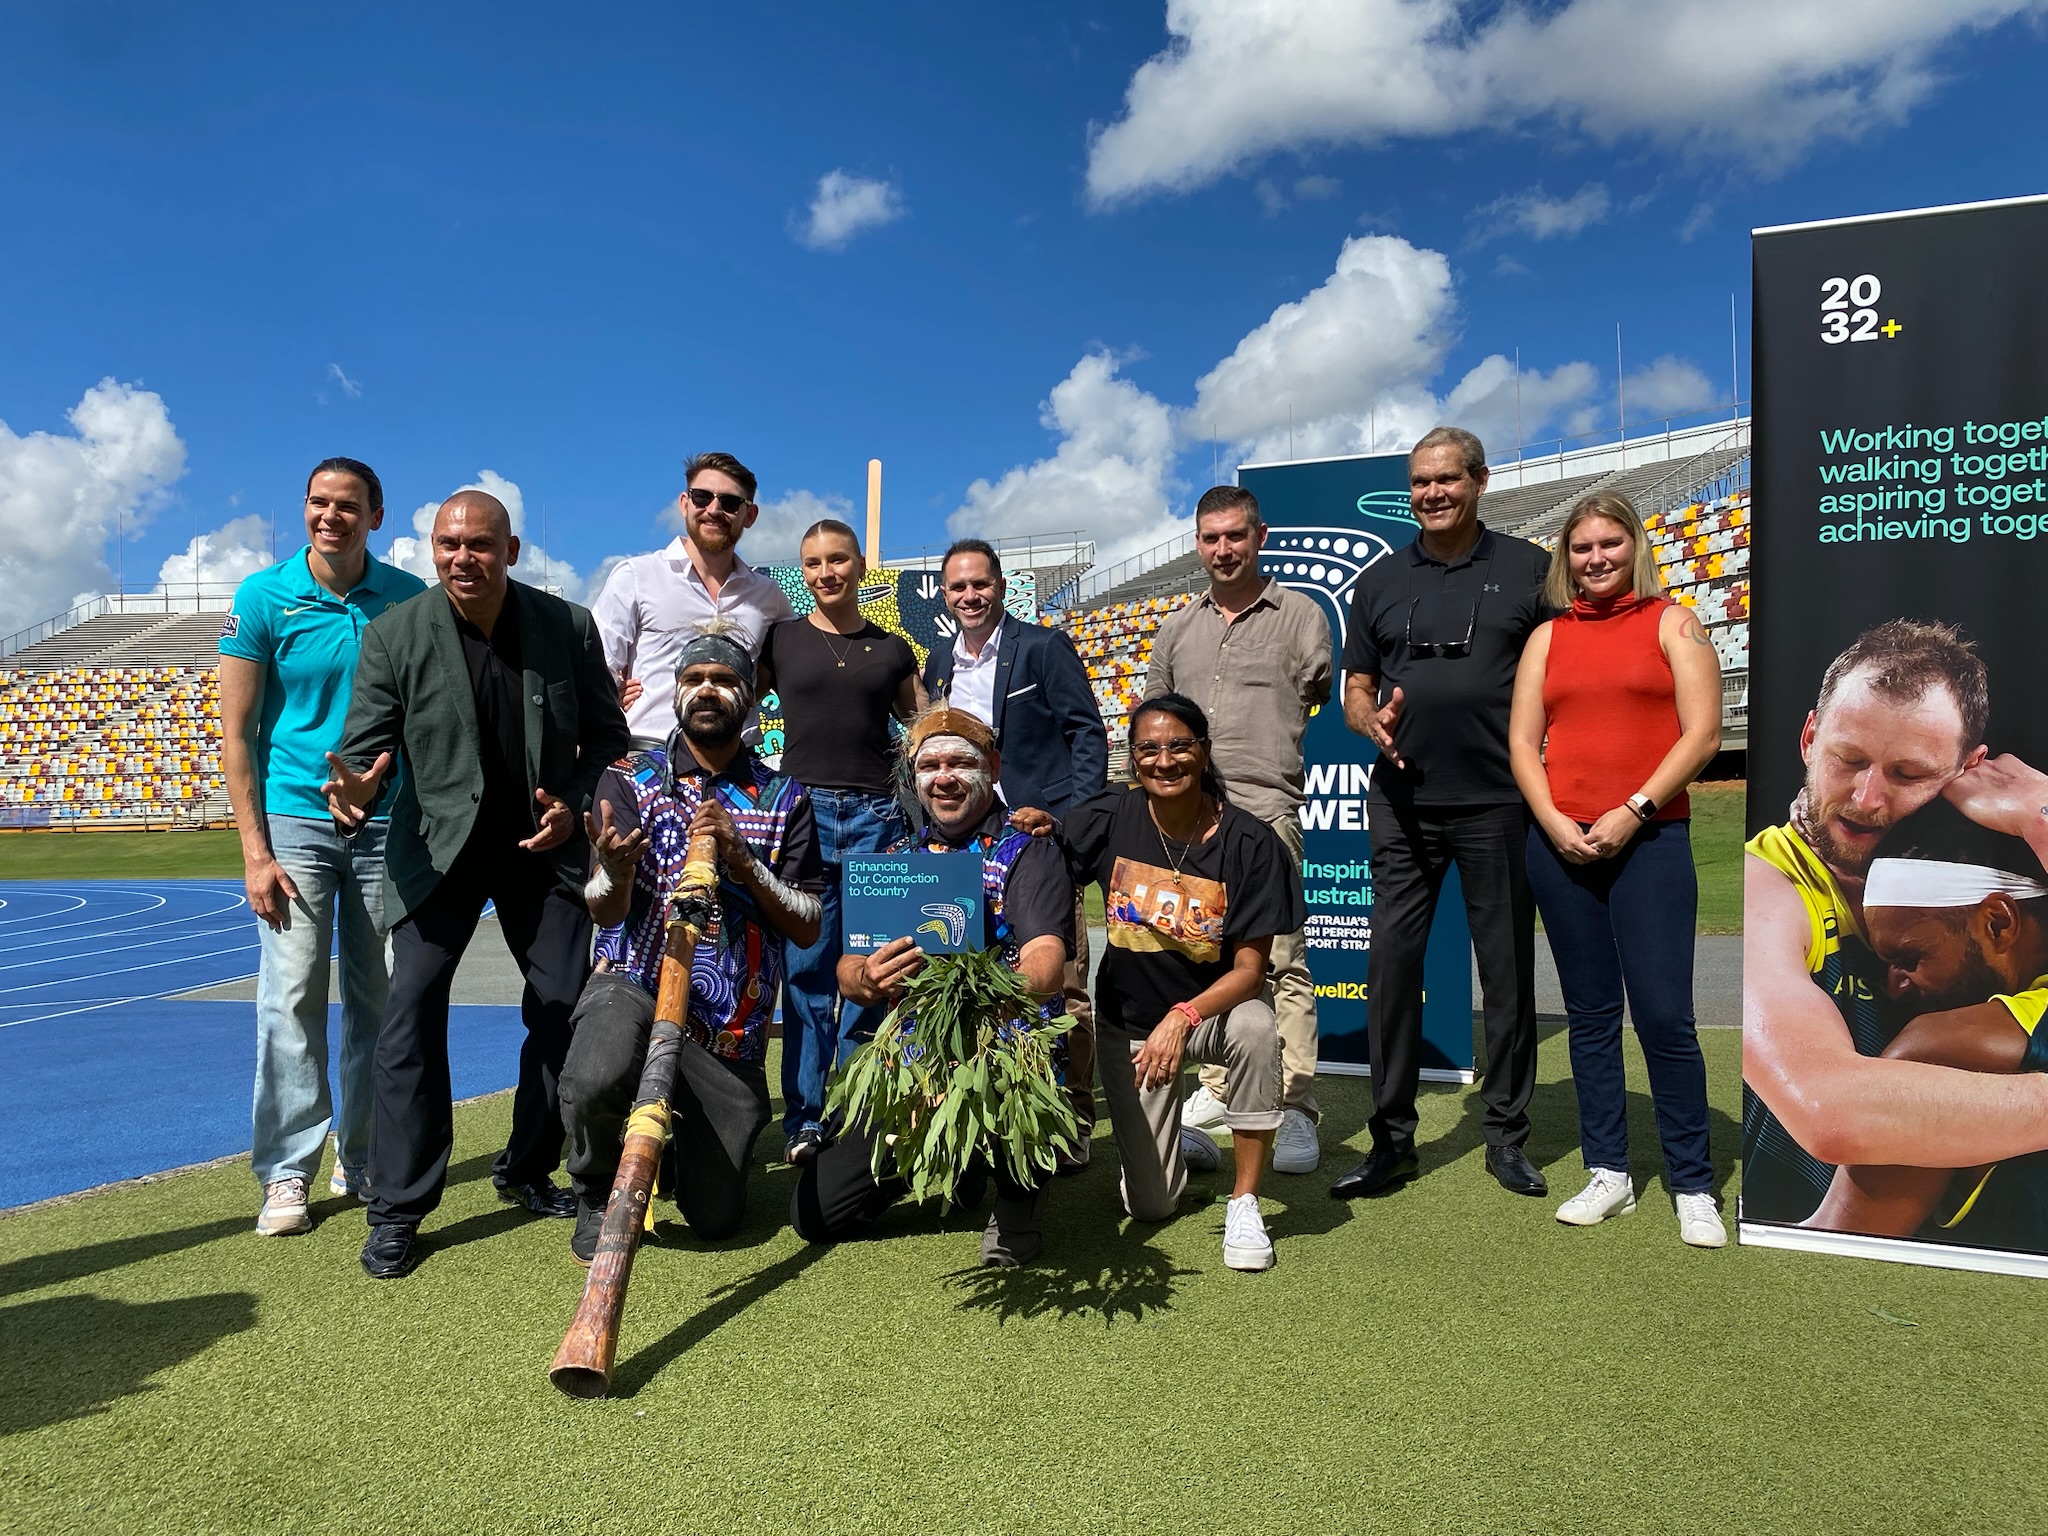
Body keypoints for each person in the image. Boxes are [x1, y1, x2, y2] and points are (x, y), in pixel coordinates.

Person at [326, 489, 632, 1279]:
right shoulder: (395, 635)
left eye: (480, 545)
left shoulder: (566, 627)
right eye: (448, 545)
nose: (463, 558)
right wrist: (356, 793)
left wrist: (573, 804)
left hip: (541, 852)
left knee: (565, 1006)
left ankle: (530, 1168)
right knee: (410, 1016)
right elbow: (363, 753)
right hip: (437, 853)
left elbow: (606, 738)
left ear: (513, 550)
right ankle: (398, 1207)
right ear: (434, 550)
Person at [1744, 618, 2048, 1225]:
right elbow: (1832, 1110)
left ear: (1968, 768)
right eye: (1847, 759)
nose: (1866, 798)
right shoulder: (1768, 887)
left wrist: (2043, 817)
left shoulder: (2005, 871)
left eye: (1908, 775)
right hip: (1791, 1242)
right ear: (1809, 737)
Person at [1333, 426, 1553, 1202]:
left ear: (1480, 481)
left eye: (1447, 479)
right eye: (1421, 481)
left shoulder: (1531, 568)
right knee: (1391, 967)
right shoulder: (1383, 578)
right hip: (1401, 800)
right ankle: (1390, 1140)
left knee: (1506, 973)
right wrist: (1367, 720)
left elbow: (1564, 672)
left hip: (1498, 801)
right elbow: (1355, 685)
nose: (1432, 493)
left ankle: (1506, 1137)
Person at [558, 629, 825, 1261]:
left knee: (715, 1219)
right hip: (635, 981)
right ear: (676, 693)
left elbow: (808, 921)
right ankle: (597, 1187)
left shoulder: (786, 797)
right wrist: (617, 872)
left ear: (750, 696)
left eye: (724, 679)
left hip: (728, 1021)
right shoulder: (629, 778)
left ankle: (677, 1146)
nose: (707, 690)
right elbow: (600, 904)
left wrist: (743, 862)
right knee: (594, 1076)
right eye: (694, 679)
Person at [1506, 492, 1726, 1246]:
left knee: (1665, 1018)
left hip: (1651, 841)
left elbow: (1701, 736)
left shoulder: (1674, 622)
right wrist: (1556, 823)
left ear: (1634, 547)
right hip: (1561, 847)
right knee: (1591, 1018)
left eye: (1610, 544)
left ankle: (1692, 1181)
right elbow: (1522, 745)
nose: (1595, 558)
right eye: (1581, 547)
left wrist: (1632, 810)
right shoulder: (1547, 637)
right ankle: (1610, 1172)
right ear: (1565, 558)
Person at [219, 457, 427, 1236]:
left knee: (381, 999)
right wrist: (254, 851)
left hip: (384, 824)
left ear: (375, 515)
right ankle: (286, 1172)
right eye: (317, 502)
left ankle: (365, 1158)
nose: (328, 516)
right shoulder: (264, 595)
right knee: (292, 991)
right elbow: (237, 733)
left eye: (346, 505)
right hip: (295, 822)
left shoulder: (408, 599)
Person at [792, 707, 1075, 1267]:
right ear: (913, 778)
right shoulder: (899, 861)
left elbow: (1046, 964)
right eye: (930, 766)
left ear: (991, 767)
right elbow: (849, 967)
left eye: (960, 763)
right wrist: (865, 979)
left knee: (1013, 1243)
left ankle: (1008, 1186)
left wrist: (979, 992)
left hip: (1007, 1057)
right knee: (814, 1214)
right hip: (917, 1061)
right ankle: (947, 1163)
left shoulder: (1027, 850)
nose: (943, 777)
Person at [1053, 693, 1300, 1272]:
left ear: (1204, 751)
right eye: (1149, 749)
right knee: (1152, 1206)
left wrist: (1183, 1016)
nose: (1165, 761)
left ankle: (1245, 1202)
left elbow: (1249, 971)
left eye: (1179, 746)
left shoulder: (1249, 842)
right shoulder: (1111, 814)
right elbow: (1044, 865)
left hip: (1209, 1017)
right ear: (1133, 759)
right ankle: (1182, 1144)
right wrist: (1036, 832)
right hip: (1130, 1022)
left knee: (1258, 1026)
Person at [1144, 484, 1332, 1175]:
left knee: (1281, 961)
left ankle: (1300, 1105)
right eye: (1210, 537)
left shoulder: (1300, 616)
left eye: (1234, 536)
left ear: (1259, 537)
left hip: (1266, 811)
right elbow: (1158, 715)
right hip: (1192, 819)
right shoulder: (1177, 628)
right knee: (1204, 961)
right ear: (1198, 543)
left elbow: (1314, 690)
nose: (1222, 549)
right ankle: (1222, 1088)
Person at [921, 538, 1107, 1169]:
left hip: (1033, 836)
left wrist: (1069, 823)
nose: (969, 596)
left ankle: (1075, 1111)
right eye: (957, 587)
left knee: (1064, 979)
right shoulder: (938, 661)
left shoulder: (1043, 647)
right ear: (945, 594)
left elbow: (1088, 732)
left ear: (1001, 585)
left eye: (980, 584)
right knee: (960, 967)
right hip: (963, 840)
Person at [1802, 799, 2048, 1250]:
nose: (1895, 989)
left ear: (1997, 923)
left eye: (1909, 959)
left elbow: (1832, 1246)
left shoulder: (1940, 1049)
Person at [757, 519, 918, 1164]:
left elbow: (922, 730)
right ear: (802, 571)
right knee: (807, 973)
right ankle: (804, 1117)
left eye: (839, 560)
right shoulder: (783, 640)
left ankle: (854, 1108)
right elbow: (729, 700)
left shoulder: (893, 649)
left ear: (858, 566)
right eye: (813, 563)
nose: (827, 573)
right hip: (804, 817)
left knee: (873, 969)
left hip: (879, 816)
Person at [593, 452, 795, 747]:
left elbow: (801, 658)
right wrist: (611, 698)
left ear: (749, 515)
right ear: (685, 504)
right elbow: (597, 670)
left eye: (729, 502)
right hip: (649, 758)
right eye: (702, 497)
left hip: (737, 766)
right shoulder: (636, 576)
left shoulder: (768, 596)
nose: (713, 509)